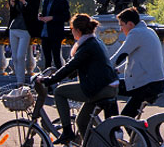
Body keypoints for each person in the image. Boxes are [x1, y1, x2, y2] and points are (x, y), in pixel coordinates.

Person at [40, 14, 119, 145]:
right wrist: (68, 74)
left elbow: (70, 65)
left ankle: (67, 132)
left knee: (59, 92)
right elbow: (79, 66)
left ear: (77, 30)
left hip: (98, 88)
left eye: (72, 29)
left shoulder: (87, 46)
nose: (71, 32)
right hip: (106, 87)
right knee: (81, 121)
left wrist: (49, 80)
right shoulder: (94, 42)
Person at [110, 7, 164, 118]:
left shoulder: (135, 33)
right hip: (155, 82)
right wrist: (117, 70)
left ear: (130, 24)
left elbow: (120, 55)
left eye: (121, 25)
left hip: (145, 85)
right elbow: (133, 60)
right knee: (128, 116)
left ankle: (115, 128)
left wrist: (103, 67)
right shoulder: (149, 31)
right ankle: (136, 133)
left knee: (125, 116)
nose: (120, 29)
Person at [5, 0, 41, 84]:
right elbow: (12, 14)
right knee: (15, 57)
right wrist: (12, 1)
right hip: (13, 28)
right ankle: (19, 81)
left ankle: (22, 81)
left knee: (21, 56)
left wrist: (23, 0)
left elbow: (33, 12)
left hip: (26, 29)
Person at [38, 0, 71, 69]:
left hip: (55, 33)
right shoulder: (46, 1)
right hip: (45, 33)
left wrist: (52, 18)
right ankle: (47, 79)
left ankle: (58, 77)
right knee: (46, 58)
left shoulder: (62, 1)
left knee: (56, 57)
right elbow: (45, 14)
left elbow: (66, 17)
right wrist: (41, 17)